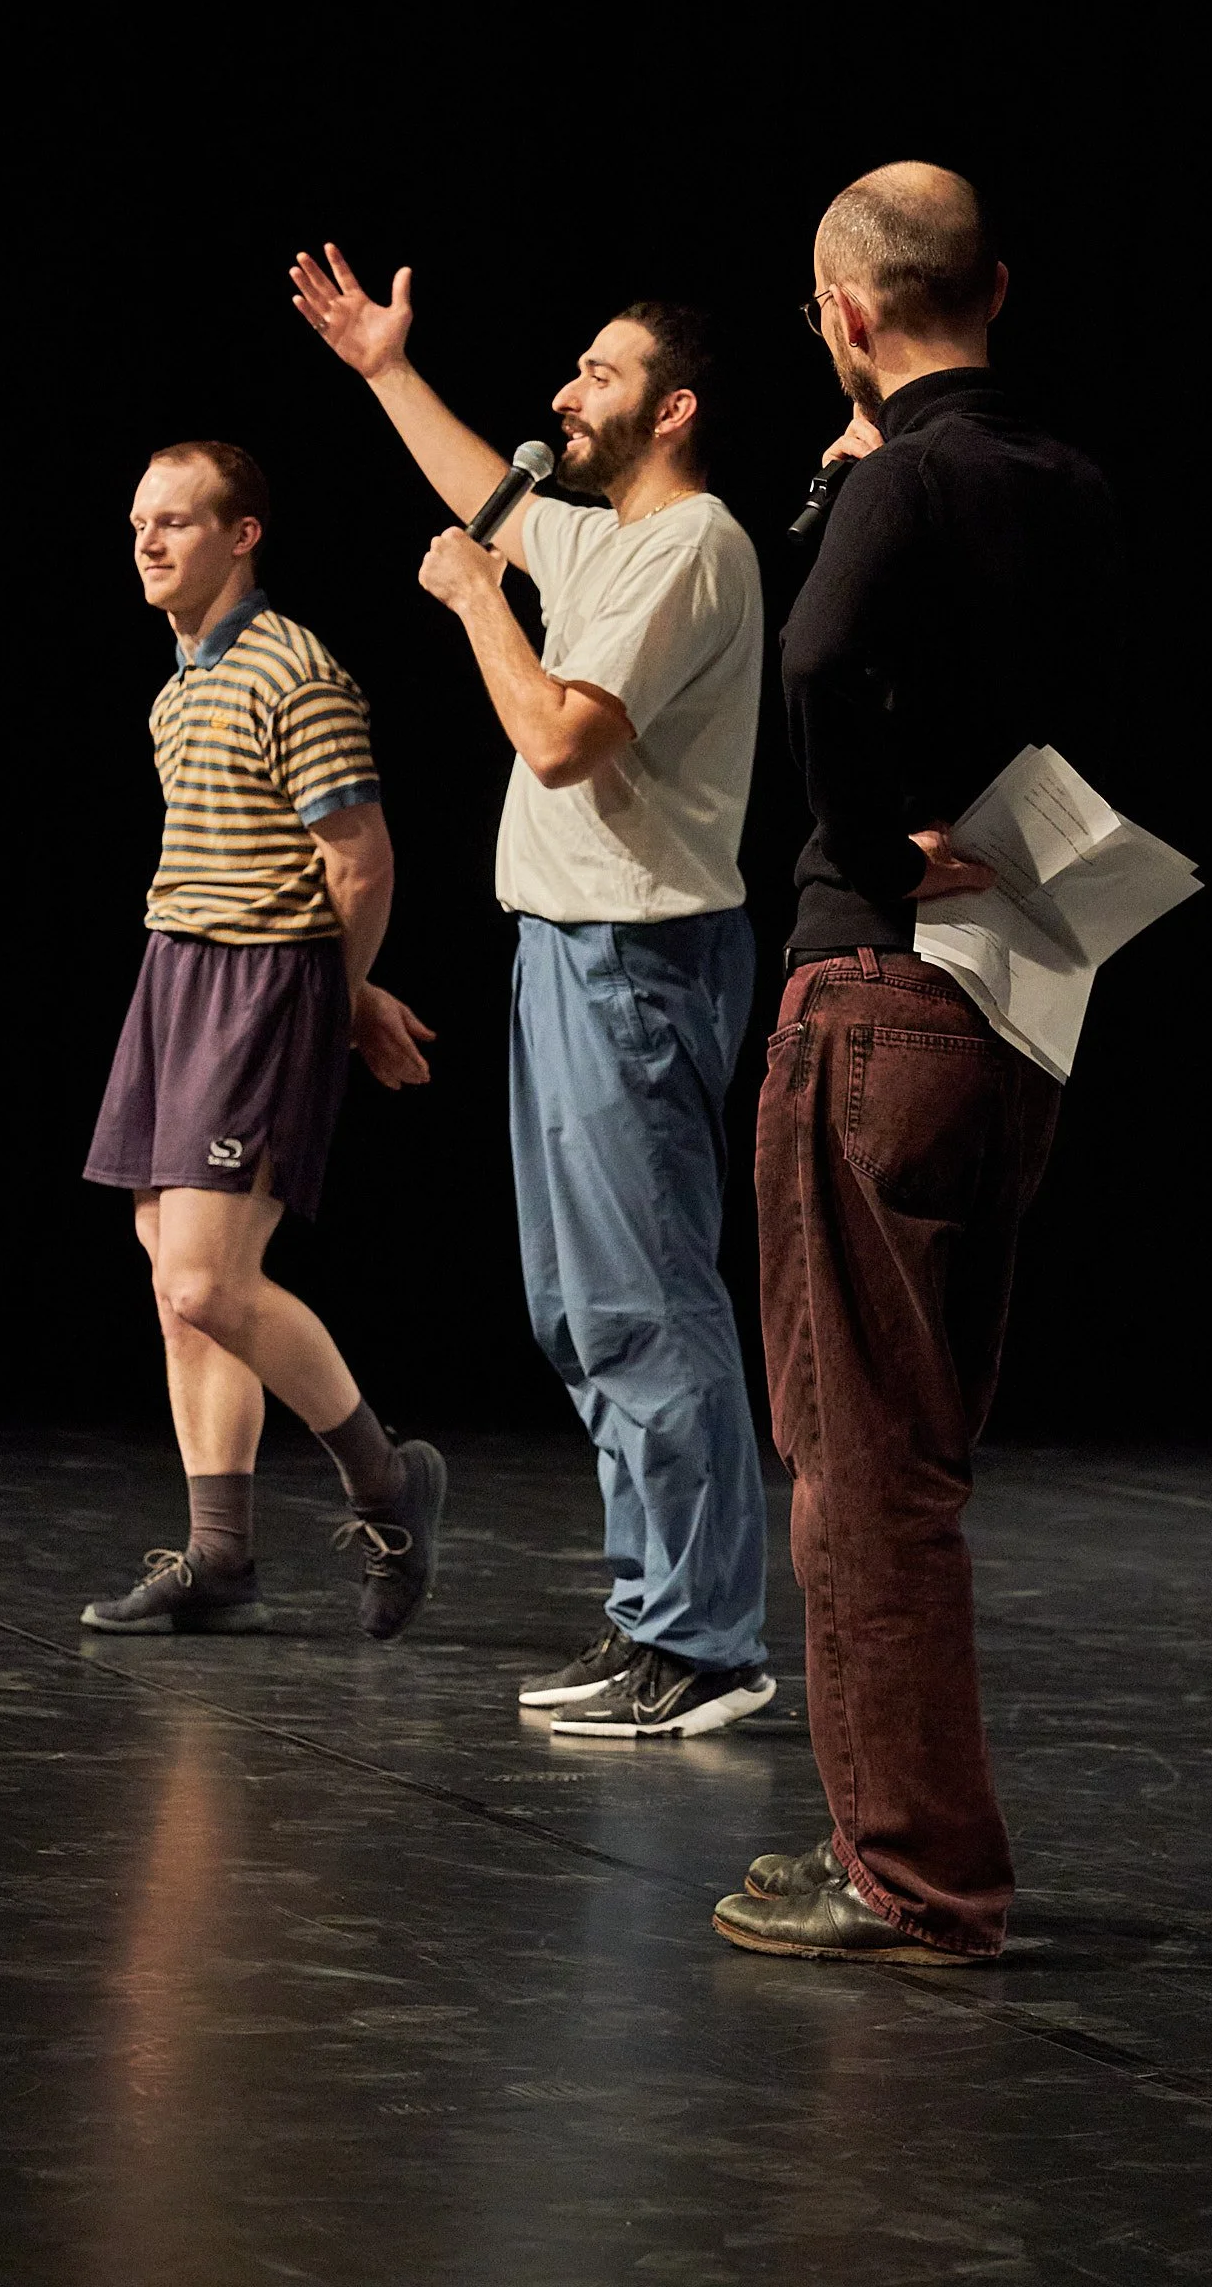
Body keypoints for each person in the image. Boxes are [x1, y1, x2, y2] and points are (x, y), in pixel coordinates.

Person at [712, 164, 1122, 1958]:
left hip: (871, 989)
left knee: (858, 1456)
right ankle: (920, 1848)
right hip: (1021, 988)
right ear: (999, 288)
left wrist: (870, 846)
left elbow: (810, 657)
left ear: (847, 313)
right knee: (917, 1444)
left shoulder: (908, 479)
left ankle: (907, 1873)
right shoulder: (1065, 485)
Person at [290, 247, 774, 1737]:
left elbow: (562, 739)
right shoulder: (608, 540)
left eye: (599, 373)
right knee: (582, 1310)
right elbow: (485, 502)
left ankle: (702, 1643)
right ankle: (653, 1617)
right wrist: (383, 368)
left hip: (637, 960)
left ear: (672, 408)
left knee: (645, 1306)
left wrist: (473, 604)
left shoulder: (692, 544)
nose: (565, 392)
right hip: (570, 950)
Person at [80, 439, 446, 1641]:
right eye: (140, 520)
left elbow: (360, 860)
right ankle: (220, 1558)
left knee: (206, 1275)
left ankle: (390, 1483)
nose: (148, 540)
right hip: (173, 972)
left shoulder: (297, 674)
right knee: (176, 1291)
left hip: (257, 986)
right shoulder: (179, 687)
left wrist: (335, 992)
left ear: (242, 535)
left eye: (176, 520)